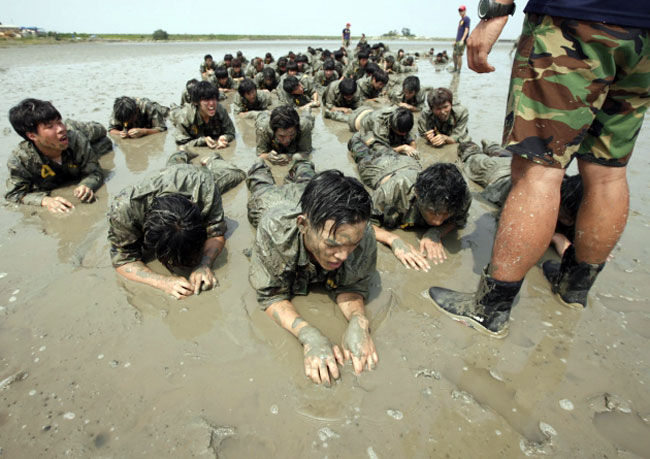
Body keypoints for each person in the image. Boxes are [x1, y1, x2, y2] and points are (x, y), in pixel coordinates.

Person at [427, 0, 650, 338]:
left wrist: (495, 12)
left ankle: (491, 308)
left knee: (539, 170)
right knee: (608, 172)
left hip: (576, 20)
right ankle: (573, 287)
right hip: (643, 32)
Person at [248, 166, 378, 386]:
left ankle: (301, 163)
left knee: (306, 176)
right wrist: (308, 335)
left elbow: (352, 287)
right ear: (303, 225)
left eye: (352, 246)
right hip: (272, 202)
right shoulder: (274, 230)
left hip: (305, 193)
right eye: (332, 245)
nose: (344, 255)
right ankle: (261, 166)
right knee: (261, 185)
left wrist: (359, 321)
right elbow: (271, 296)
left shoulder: (362, 233)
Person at [108, 153, 245, 299]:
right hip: (163, 181)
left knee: (237, 174)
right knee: (173, 169)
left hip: (188, 177)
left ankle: (207, 158)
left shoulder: (203, 186)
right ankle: (180, 153)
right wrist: (163, 282)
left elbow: (215, 233)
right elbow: (123, 260)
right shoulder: (124, 209)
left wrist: (204, 264)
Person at [350, 136, 472, 268]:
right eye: (433, 212)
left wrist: (436, 232)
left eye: (446, 213)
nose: (438, 222)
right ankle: (360, 137)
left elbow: (457, 221)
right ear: (417, 194)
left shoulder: (461, 196)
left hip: (408, 163)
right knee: (361, 150)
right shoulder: (392, 191)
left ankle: (376, 141)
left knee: (386, 149)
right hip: (378, 166)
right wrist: (392, 239)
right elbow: (361, 223)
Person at [457, 141, 583, 259]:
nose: (566, 221)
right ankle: (483, 146)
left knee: (504, 156)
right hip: (501, 175)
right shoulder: (539, 200)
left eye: (570, 219)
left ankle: (493, 147)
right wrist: (554, 237)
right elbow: (508, 223)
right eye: (564, 215)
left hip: (524, 168)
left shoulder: (582, 206)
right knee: (471, 156)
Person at [6, 99, 106, 213]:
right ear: (32, 135)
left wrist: (87, 184)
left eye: (59, 122)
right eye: (49, 126)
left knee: (100, 132)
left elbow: (94, 172)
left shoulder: (77, 139)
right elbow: (14, 195)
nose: (60, 129)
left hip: (77, 130)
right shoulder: (20, 160)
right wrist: (44, 200)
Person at [170, 81, 236, 149]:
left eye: (214, 99)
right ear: (196, 102)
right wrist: (202, 141)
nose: (212, 103)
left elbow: (231, 133)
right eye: (206, 100)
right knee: (173, 111)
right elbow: (181, 142)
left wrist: (224, 138)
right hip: (175, 114)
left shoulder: (221, 111)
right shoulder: (184, 117)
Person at [347, 106, 420, 159]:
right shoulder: (379, 124)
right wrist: (402, 148)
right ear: (391, 126)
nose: (405, 134)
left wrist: (412, 144)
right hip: (355, 119)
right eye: (401, 132)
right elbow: (381, 151)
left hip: (370, 110)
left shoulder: (403, 115)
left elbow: (410, 135)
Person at [453, 5, 470, 72]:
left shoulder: (467, 19)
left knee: (459, 55)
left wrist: (462, 40)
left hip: (462, 41)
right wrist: (455, 40)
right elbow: (459, 31)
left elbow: (466, 30)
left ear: (465, 11)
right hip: (458, 40)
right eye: (459, 11)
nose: (460, 12)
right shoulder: (461, 20)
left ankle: (459, 70)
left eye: (462, 10)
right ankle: (455, 68)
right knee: (454, 55)